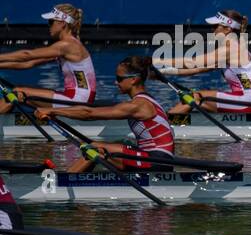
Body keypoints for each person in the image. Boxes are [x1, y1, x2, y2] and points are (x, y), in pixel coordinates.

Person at [36, 56, 173, 173]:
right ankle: (78, 181)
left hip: (156, 162)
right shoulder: (147, 100)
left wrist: (53, 111)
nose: (115, 82)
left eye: (119, 79)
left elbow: (89, 113)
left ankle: (63, 183)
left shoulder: (139, 105)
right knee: (115, 144)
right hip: (154, 158)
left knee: (94, 149)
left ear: (134, 80)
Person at [154, 9, 251, 115]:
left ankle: (165, 125)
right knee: (194, 96)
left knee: (194, 97)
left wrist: (157, 60)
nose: (212, 30)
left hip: (248, 100)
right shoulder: (234, 48)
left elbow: (191, 62)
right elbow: (196, 69)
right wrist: (161, 72)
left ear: (227, 29)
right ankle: (173, 121)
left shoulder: (231, 49)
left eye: (215, 26)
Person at [0, 4, 97, 114]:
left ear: (63, 23)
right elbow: (28, 63)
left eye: (51, 22)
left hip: (78, 101)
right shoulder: (66, 46)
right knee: (19, 92)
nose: (48, 26)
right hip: (76, 98)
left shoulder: (67, 45)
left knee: (18, 92)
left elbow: (27, 54)